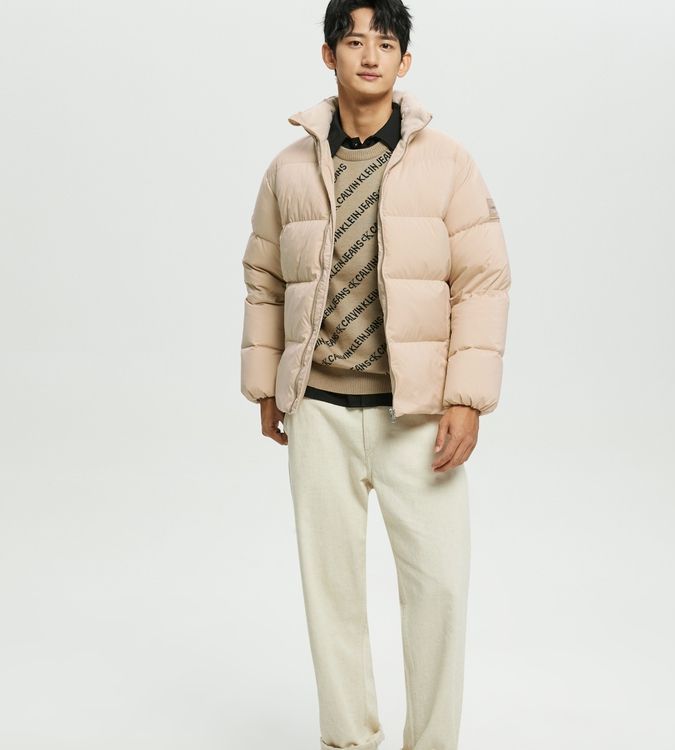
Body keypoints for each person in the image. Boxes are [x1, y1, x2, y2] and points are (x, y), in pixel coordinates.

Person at [240, 1, 511, 748]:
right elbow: (263, 277)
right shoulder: (289, 168)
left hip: (417, 415)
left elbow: (483, 280)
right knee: (330, 592)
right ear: (329, 55)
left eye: (384, 44)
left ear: (404, 61)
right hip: (319, 408)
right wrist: (266, 385)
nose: (369, 56)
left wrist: (466, 399)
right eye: (353, 41)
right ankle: (348, 740)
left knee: (440, 588)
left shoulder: (447, 163)